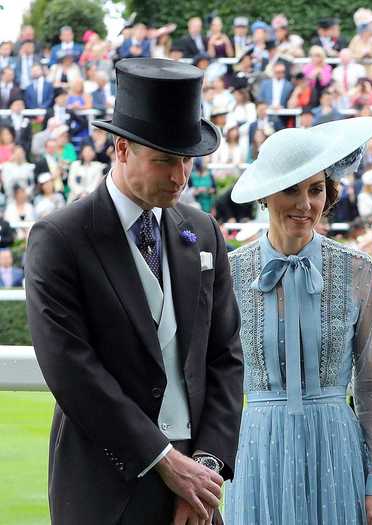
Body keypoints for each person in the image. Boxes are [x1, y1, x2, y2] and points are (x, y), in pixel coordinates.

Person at [24, 58, 244, 525]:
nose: (180, 176)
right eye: (164, 160)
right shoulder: (61, 238)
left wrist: (203, 469)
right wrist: (164, 460)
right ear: (121, 150)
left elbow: (225, 356)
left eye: (186, 159)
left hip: (196, 492)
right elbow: (70, 370)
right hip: (103, 486)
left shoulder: (203, 233)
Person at [227, 116, 372, 524]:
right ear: (266, 195)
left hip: (336, 450)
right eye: (290, 189)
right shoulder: (229, 271)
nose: (305, 204)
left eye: (316, 189)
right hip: (255, 451)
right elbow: (212, 380)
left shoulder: (357, 270)